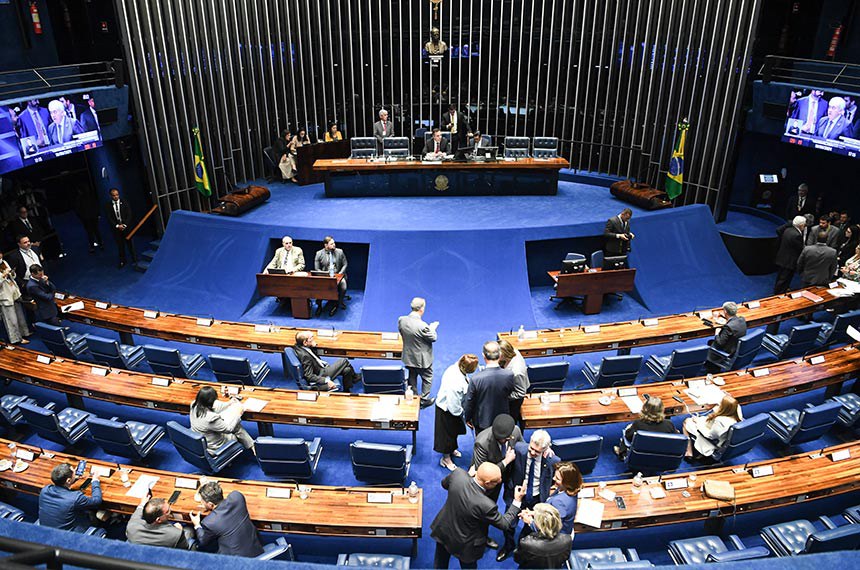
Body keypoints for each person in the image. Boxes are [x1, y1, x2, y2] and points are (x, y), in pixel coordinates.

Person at [430, 462, 526, 569]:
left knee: (440, 564)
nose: (500, 481)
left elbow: (444, 484)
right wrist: (517, 501)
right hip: (466, 545)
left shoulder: (458, 474)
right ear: (488, 483)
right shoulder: (486, 505)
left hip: (444, 530)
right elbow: (504, 524)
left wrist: (467, 477)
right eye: (497, 481)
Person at [499, 430, 559, 561]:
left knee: (530, 526)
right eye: (531, 448)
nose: (532, 453)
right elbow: (507, 470)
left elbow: (553, 479)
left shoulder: (552, 460)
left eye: (537, 452)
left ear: (545, 449)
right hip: (516, 495)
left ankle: (522, 547)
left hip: (537, 499)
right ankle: (508, 546)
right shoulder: (520, 449)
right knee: (508, 525)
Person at [189, 481, 263, 557]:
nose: (201, 503)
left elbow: (203, 541)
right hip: (256, 548)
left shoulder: (210, 522)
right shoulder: (237, 497)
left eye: (202, 501)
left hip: (236, 561)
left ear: (210, 504)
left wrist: (197, 525)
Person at [435, 353, 479, 471]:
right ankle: (446, 458)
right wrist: (464, 414)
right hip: (447, 411)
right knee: (446, 436)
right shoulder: (455, 383)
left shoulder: (456, 368)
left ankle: (451, 449)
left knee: (453, 433)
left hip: (454, 409)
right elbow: (453, 407)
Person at [463, 341, 516, 433]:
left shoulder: (476, 379)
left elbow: (469, 402)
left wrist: (467, 418)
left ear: (483, 356)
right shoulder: (509, 375)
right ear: (499, 355)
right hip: (502, 419)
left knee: (483, 444)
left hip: (483, 421)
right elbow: (510, 392)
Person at [470, 414, 523, 503]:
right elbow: (482, 472)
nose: (501, 440)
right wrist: (505, 462)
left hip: (509, 474)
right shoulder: (482, 443)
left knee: (510, 498)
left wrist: (544, 448)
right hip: (491, 481)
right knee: (489, 501)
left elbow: (522, 447)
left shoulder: (516, 431)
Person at [398, 296, 439, 408]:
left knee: (412, 375)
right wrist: (432, 328)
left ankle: (414, 396)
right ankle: (424, 400)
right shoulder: (423, 326)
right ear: (422, 309)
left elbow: (402, 332)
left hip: (408, 356)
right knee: (427, 377)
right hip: (422, 359)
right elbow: (433, 338)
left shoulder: (401, 319)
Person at [38, 463, 102, 532]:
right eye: (74, 473)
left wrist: (73, 479)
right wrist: (95, 481)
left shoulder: (45, 490)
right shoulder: (75, 498)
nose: (75, 471)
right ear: (68, 480)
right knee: (91, 513)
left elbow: (63, 484)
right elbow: (97, 501)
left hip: (44, 530)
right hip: (65, 536)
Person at [189, 386, 255, 453]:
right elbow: (229, 429)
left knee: (232, 420)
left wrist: (229, 403)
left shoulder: (194, 405)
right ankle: (253, 447)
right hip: (216, 446)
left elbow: (214, 408)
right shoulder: (212, 418)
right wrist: (239, 414)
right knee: (236, 426)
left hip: (203, 441)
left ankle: (252, 446)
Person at [126, 489, 196, 549]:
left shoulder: (132, 526)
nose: (170, 510)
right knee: (189, 530)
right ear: (158, 520)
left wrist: (142, 503)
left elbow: (137, 513)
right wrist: (181, 531)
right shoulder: (176, 533)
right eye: (168, 511)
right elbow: (184, 548)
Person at [613, 397, 678, 460]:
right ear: (662, 409)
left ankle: (622, 453)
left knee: (627, 431)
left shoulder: (638, 424)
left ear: (645, 409)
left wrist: (628, 428)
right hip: (662, 457)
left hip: (640, 457)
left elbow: (628, 437)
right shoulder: (669, 424)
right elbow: (676, 439)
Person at [293, 330, 360, 391]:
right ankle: (355, 377)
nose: (313, 339)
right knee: (344, 361)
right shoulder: (305, 356)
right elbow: (309, 376)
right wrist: (326, 380)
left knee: (347, 370)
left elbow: (313, 356)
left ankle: (346, 390)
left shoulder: (300, 346)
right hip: (322, 374)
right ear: (305, 342)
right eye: (311, 338)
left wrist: (312, 346)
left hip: (322, 368)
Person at [514, 504, 573, 569]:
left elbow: (518, 559)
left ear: (538, 524)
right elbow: (565, 557)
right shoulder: (567, 539)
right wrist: (536, 514)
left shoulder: (526, 543)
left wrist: (531, 522)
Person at [704, 301, 746, 372]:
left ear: (725, 311)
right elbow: (733, 320)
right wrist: (725, 317)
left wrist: (717, 333)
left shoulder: (728, 327)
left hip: (728, 351)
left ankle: (712, 368)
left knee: (710, 343)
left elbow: (719, 342)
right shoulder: (742, 319)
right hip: (736, 347)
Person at [313, 236, 348, 317]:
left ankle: (339, 302)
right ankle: (319, 305)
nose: (334, 245)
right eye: (331, 244)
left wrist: (340, 274)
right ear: (326, 245)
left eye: (334, 243)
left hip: (338, 275)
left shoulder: (340, 252)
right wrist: (324, 274)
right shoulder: (319, 254)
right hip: (325, 276)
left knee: (343, 287)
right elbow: (317, 268)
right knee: (319, 288)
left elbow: (345, 264)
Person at [0, 252, 30, 344]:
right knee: (11, 319)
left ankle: (24, 333)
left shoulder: (4, 262)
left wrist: (12, 273)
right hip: (4, 296)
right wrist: (3, 276)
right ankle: (16, 339)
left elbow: (13, 276)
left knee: (20, 315)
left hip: (14, 291)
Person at [499, 339, 529, 428]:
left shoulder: (516, 372)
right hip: (510, 385)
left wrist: (504, 397)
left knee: (511, 420)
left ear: (504, 354)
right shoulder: (513, 351)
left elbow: (520, 393)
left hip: (514, 401)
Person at [546, 462, 582, 535]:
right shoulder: (571, 488)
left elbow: (552, 527)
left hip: (558, 538)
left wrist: (531, 522)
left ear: (567, 482)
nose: (553, 478)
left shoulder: (558, 501)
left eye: (557, 478)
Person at [773, 215, 807, 294]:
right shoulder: (797, 235)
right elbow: (800, 248)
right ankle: (779, 293)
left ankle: (778, 290)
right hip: (789, 261)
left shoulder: (787, 230)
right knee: (785, 279)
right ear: (801, 225)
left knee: (780, 277)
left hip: (782, 258)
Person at [106, 188, 137, 269]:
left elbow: (129, 214)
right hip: (116, 230)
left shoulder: (125, 202)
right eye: (114, 195)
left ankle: (134, 259)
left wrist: (124, 225)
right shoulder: (108, 205)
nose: (116, 196)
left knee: (130, 244)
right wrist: (117, 226)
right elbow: (109, 218)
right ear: (111, 196)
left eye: (117, 194)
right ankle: (122, 261)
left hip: (126, 228)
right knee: (120, 246)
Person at [74, 185, 104, 253]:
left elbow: (78, 209)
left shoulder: (79, 198)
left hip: (86, 218)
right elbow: (96, 205)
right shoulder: (91, 196)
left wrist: (81, 217)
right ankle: (101, 244)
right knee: (96, 230)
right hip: (93, 216)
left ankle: (92, 247)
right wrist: (98, 214)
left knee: (89, 232)